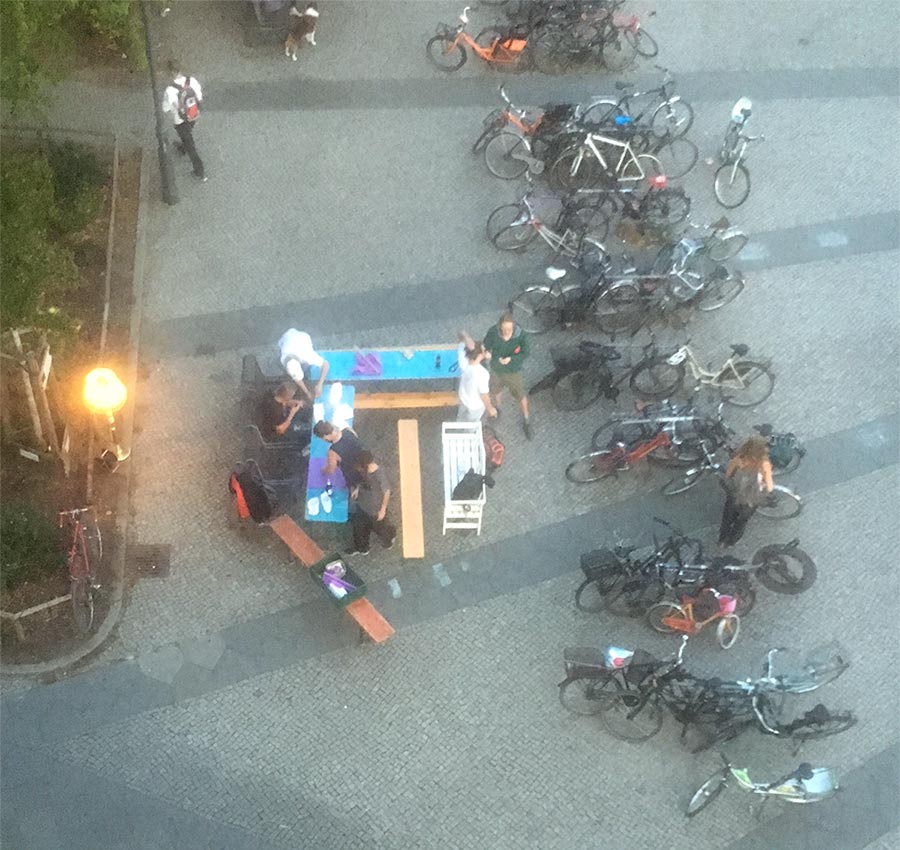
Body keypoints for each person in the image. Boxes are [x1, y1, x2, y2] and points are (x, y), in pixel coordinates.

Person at [718, 436, 774, 548]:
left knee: (727, 518)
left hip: (735, 494)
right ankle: (732, 541)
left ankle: (722, 540)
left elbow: (728, 475)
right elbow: (770, 486)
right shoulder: (764, 464)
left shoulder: (738, 459)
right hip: (751, 499)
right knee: (741, 521)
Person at [483, 313, 532, 439]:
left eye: (509, 330)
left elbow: (526, 352)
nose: (506, 332)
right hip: (496, 369)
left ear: (513, 327)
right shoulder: (493, 332)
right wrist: (486, 352)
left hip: (513, 371)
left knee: (521, 395)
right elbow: (485, 345)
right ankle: (498, 409)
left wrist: (512, 359)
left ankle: (526, 420)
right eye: (504, 329)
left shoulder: (520, 335)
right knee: (495, 391)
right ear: (499, 327)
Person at [161, 61, 206, 181]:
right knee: (187, 135)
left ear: (170, 73)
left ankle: (200, 171)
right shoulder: (192, 81)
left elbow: (165, 108)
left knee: (190, 144)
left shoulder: (170, 90)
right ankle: (183, 148)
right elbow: (199, 98)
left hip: (180, 120)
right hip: (193, 116)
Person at [348, 450, 396, 555]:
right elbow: (363, 480)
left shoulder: (379, 475)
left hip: (375, 509)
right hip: (363, 504)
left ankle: (389, 537)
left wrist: (383, 510)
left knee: (379, 528)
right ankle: (362, 547)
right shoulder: (366, 471)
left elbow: (387, 492)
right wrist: (357, 488)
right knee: (359, 527)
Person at [278, 328, 330, 402]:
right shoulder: (284, 358)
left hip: (303, 337)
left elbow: (326, 364)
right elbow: (296, 377)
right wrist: (307, 392)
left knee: (306, 367)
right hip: (288, 334)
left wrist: (320, 384)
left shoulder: (307, 355)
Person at [456, 331, 496, 422]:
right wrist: (490, 408)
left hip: (463, 397)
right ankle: (469, 433)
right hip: (475, 405)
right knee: (472, 422)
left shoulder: (463, 359)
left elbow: (460, 335)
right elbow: (483, 395)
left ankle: (459, 426)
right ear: (479, 355)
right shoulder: (483, 374)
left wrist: (466, 337)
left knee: (461, 417)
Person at [314, 420, 364, 488]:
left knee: (352, 480)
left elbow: (331, 470)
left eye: (323, 438)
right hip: (362, 459)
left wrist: (324, 470)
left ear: (326, 436)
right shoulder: (348, 430)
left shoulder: (333, 452)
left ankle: (355, 487)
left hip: (351, 470)